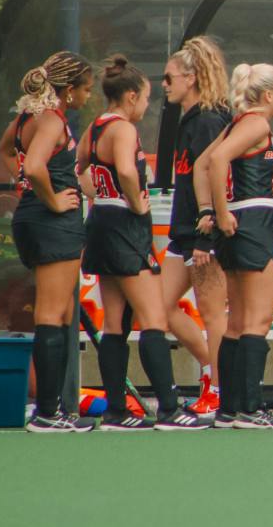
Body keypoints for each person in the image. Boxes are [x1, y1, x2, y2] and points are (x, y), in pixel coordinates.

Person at [78, 56, 207, 431]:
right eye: (147, 98)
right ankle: (169, 407)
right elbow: (124, 170)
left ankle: (116, 410)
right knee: (153, 318)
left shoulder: (95, 126)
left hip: (101, 221)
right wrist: (136, 202)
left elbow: (78, 167)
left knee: (115, 323)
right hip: (123, 225)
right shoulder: (122, 129)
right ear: (131, 96)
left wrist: (95, 197)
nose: (149, 106)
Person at [1, 51, 94, 433]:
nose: (88, 97)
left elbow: (9, 150)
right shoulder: (52, 119)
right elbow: (35, 165)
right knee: (52, 313)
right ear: (69, 90)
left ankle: (53, 407)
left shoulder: (27, 117)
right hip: (51, 221)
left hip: (37, 218)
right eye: (86, 90)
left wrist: (25, 184)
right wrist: (52, 198)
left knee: (63, 312)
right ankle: (47, 412)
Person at [202, 62, 273, 429]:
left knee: (237, 322)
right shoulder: (256, 123)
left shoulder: (236, 124)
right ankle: (251, 408)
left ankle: (230, 408)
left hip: (244, 222)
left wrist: (215, 209)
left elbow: (204, 162)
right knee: (258, 319)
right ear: (268, 95)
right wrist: (219, 213)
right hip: (253, 221)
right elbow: (216, 161)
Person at [158, 37, 230, 415]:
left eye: (169, 78)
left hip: (203, 234)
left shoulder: (208, 120)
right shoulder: (187, 120)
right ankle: (210, 369)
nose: (164, 85)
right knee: (159, 307)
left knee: (213, 312)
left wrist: (208, 234)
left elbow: (215, 182)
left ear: (192, 77)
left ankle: (220, 389)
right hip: (181, 232)